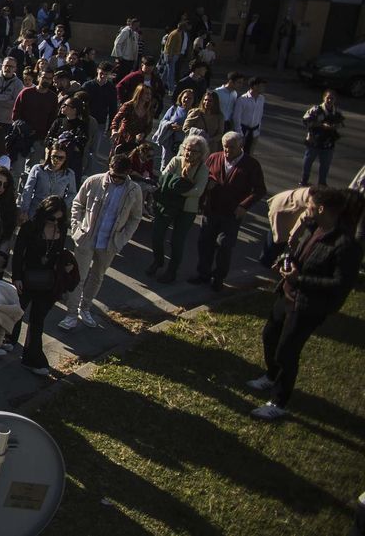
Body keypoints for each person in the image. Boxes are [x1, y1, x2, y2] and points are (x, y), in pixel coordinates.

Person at [249, 187, 363, 420]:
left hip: (308, 305)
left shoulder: (345, 244)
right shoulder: (315, 228)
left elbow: (339, 283)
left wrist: (299, 279)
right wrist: (287, 261)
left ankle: (278, 402)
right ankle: (271, 376)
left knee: (287, 351)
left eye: (309, 205)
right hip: (287, 294)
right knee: (270, 335)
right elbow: (301, 254)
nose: (306, 208)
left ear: (321, 209)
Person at [60, 152, 144, 330]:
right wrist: (77, 228)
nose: (116, 180)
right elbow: (77, 204)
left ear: (128, 173)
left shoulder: (134, 190)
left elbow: (135, 218)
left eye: (121, 178)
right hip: (86, 238)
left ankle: (85, 308)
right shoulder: (94, 181)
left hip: (109, 243)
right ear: (109, 168)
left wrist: (122, 239)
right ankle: (71, 314)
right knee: (78, 277)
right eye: (113, 175)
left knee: (97, 277)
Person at [192, 131, 267, 289]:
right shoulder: (214, 158)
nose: (227, 151)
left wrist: (244, 206)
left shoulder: (251, 164)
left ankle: (218, 278)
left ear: (241, 146)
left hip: (232, 214)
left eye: (231, 147)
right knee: (205, 243)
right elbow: (203, 176)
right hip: (211, 210)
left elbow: (260, 190)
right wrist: (205, 191)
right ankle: (203, 274)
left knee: (224, 245)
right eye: (225, 147)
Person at [11, 198, 77, 376]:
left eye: (59, 219)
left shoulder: (61, 229)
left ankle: (32, 358)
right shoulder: (30, 228)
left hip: (48, 282)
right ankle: (8, 340)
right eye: (51, 218)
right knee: (16, 312)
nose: (55, 222)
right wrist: (16, 277)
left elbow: (58, 253)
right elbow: (18, 254)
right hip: (27, 278)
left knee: (37, 320)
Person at [148, 134, 209, 283]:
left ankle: (171, 271)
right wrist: (182, 185)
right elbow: (163, 178)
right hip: (168, 205)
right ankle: (158, 260)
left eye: (194, 151)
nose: (189, 153)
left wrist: (177, 190)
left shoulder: (203, 169)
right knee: (157, 234)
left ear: (201, 153)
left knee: (177, 241)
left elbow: (198, 191)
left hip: (187, 209)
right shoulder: (176, 160)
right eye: (187, 149)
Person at [19, 142, 78, 218]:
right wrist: (24, 210)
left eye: (61, 158)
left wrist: (61, 207)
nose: (57, 160)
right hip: (35, 211)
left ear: (65, 158)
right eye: (54, 156)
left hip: (54, 214)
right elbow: (28, 190)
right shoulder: (38, 169)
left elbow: (72, 194)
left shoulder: (69, 174)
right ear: (50, 156)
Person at [300, 90, 344, 187]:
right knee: (307, 163)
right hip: (314, 141)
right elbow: (305, 121)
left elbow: (341, 124)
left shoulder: (337, 112)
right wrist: (321, 125)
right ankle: (303, 182)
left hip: (329, 143)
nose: (329, 100)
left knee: (325, 165)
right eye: (328, 98)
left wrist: (335, 126)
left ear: (335, 100)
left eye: (332, 98)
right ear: (324, 98)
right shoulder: (315, 109)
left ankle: (322, 184)